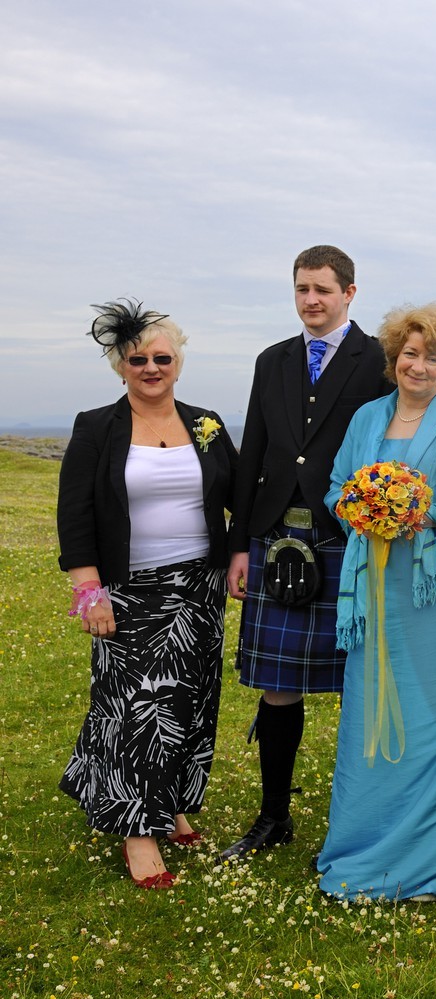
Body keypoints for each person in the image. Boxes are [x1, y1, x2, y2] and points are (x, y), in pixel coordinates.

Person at [315, 303, 436, 901]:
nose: (419, 366)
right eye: (410, 354)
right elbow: (336, 488)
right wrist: (366, 508)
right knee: (369, 715)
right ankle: (360, 849)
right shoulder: (367, 417)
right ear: (395, 357)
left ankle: (427, 865)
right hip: (374, 588)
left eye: (432, 357)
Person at [221, 245, 394, 863]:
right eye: (302, 289)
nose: (311, 301)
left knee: (362, 685)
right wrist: (239, 544)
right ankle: (273, 816)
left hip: (347, 538)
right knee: (275, 683)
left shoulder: (379, 358)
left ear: (350, 292)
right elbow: (257, 455)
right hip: (274, 536)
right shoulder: (272, 361)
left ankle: (363, 821)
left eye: (323, 289)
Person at [57, 300, 237, 889]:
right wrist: (89, 592)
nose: (152, 368)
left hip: (199, 589)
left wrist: (241, 554)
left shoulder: (206, 423)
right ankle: (139, 832)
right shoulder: (95, 427)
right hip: (129, 590)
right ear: (121, 366)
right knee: (137, 708)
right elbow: (75, 516)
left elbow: (236, 495)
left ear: (179, 362)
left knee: (189, 703)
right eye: (139, 359)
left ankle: (173, 804)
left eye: (163, 357)